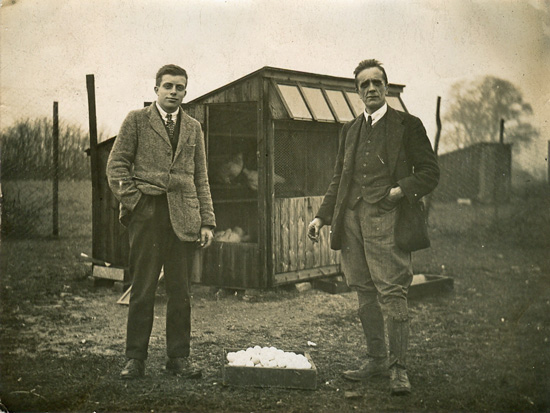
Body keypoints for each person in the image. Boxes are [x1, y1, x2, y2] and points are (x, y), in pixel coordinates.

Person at [307, 59, 439, 395]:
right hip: (351, 221)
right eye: (364, 84)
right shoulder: (349, 130)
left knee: (392, 292)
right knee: (364, 291)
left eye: (376, 82)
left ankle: (398, 369)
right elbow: (340, 178)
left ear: (387, 86)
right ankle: (377, 359)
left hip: (388, 219)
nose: (371, 89)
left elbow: (429, 173)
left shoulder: (408, 125)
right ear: (357, 91)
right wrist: (321, 217)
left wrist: (399, 190)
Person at [107, 64, 216, 380]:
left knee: (180, 291)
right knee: (142, 289)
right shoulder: (136, 121)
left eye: (179, 87)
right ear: (156, 89)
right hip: (147, 213)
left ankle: (178, 358)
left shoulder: (194, 127)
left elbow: (201, 177)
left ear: (185, 92)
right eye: (167, 86)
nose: (173, 92)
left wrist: (207, 221)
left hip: (183, 216)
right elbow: (116, 167)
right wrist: (138, 204)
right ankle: (135, 359)